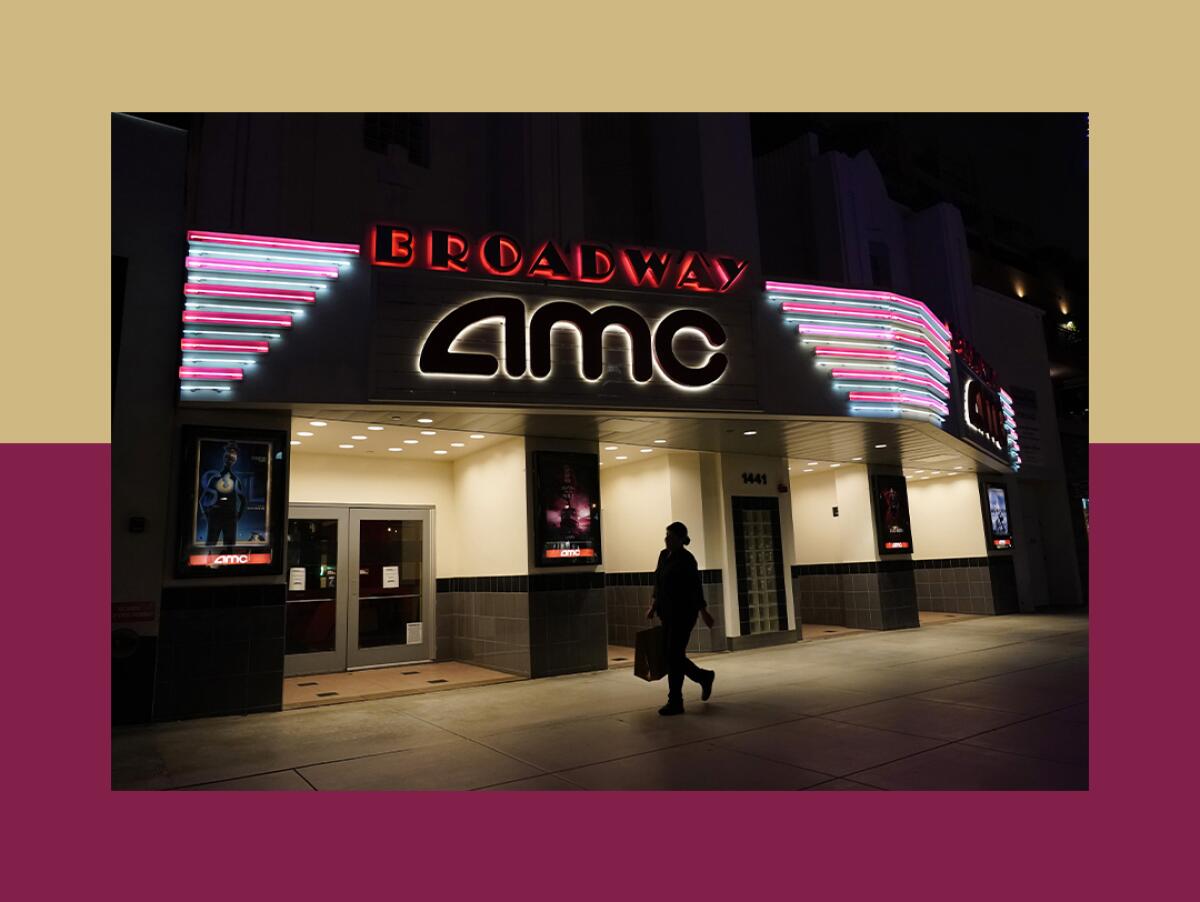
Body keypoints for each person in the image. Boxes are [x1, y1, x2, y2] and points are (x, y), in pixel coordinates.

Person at [647, 521, 715, 715]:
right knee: (672, 656)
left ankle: (676, 701)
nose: (666, 539)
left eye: (670, 536)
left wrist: (704, 612)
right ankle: (703, 677)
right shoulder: (663, 556)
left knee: (673, 656)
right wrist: (653, 606)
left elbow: (695, 589)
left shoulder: (687, 560)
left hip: (684, 614)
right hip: (667, 614)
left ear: (679, 539)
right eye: (666, 535)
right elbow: (658, 582)